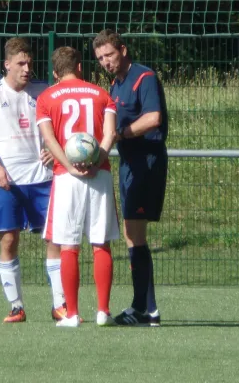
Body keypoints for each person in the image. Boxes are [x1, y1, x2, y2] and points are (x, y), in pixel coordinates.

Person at [0, 37, 67, 323]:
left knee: (54, 238)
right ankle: (16, 306)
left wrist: (54, 147)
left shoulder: (44, 92)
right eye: (21, 64)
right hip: (7, 180)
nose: (27, 69)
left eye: (30, 63)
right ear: (7, 64)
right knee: (9, 240)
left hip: (43, 177)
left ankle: (59, 304)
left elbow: (60, 127)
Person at [36, 46, 120, 327]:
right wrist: (98, 161)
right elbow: (110, 134)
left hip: (66, 178)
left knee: (69, 245)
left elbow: (50, 139)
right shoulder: (102, 94)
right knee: (101, 243)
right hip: (99, 175)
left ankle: (71, 314)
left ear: (55, 73)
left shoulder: (47, 97)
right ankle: (103, 311)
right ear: (81, 68)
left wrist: (70, 166)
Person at [92, 29, 168, 326]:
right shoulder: (115, 85)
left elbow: (153, 118)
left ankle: (144, 309)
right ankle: (147, 309)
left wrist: (121, 133)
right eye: (100, 58)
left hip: (145, 162)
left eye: (109, 55)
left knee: (135, 236)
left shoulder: (143, 77)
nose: (105, 62)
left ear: (123, 50)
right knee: (131, 236)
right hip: (128, 164)